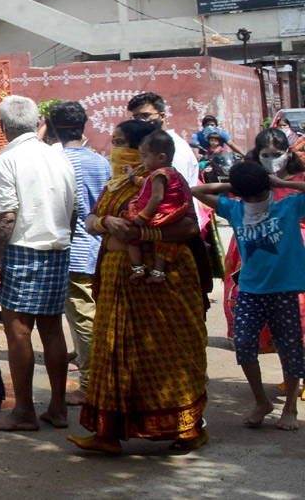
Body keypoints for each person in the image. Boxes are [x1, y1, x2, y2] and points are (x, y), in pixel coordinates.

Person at [69, 120, 209, 455]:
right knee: (112, 356)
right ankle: (108, 433)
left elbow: (190, 226)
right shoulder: (117, 185)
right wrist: (106, 222)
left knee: (167, 357)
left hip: (163, 283)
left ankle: (188, 429)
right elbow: (89, 220)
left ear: (142, 149)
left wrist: (145, 234)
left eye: (119, 142)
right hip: (120, 277)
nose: (113, 148)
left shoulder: (167, 181)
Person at [0, 95, 77, 432]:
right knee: (52, 329)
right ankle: (57, 408)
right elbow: (75, 209)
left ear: (3, 126)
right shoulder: (59, 158)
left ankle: (24, 411)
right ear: (37, 123)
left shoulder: (7, 160)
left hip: (24, 250)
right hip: (58, 247)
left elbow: (6, 217)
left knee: (19, 331)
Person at [193, 163, 304, 430]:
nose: (253, 202)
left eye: (257, 195)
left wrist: (280, 183)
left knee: (290, 349)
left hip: (284, 291)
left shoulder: (287, 207)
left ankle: (290, 407)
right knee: (243, 344)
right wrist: (237, 186)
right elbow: (196, 190)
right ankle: (261, 402)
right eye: (248, 197)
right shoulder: (236, 208)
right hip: (251, 290)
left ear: (268, 189)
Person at [48, 101, 110, 407]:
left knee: (83, 317)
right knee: (88, 314)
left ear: (53, 128)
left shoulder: (56, 161)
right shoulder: (100, 162)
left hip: (74, 250)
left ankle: (90, 384)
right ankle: (91, 370)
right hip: (100, 247)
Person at [224, 129, 305, 351]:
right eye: (265, 154)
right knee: (255, 301)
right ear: (257, 153)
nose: (272, 159)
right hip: (256, 242)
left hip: (295, 244)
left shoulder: (301, 176)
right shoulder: (250, 176)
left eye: (277, 153)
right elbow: (235, 206)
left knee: (296, 306)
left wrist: (282, 184)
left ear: (288, 152)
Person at [123, 130, 192, 285]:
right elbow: (147, 185)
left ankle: (138, 268)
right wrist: (132, 177)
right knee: (163, 243)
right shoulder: (170, 172)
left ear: (161, 157)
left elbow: (156, 196)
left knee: (130, 234)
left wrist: (144, 215)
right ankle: (158, 273)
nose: (142, 161)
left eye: (145, 156)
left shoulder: (159, 174)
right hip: (169, 214)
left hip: (158, 215)